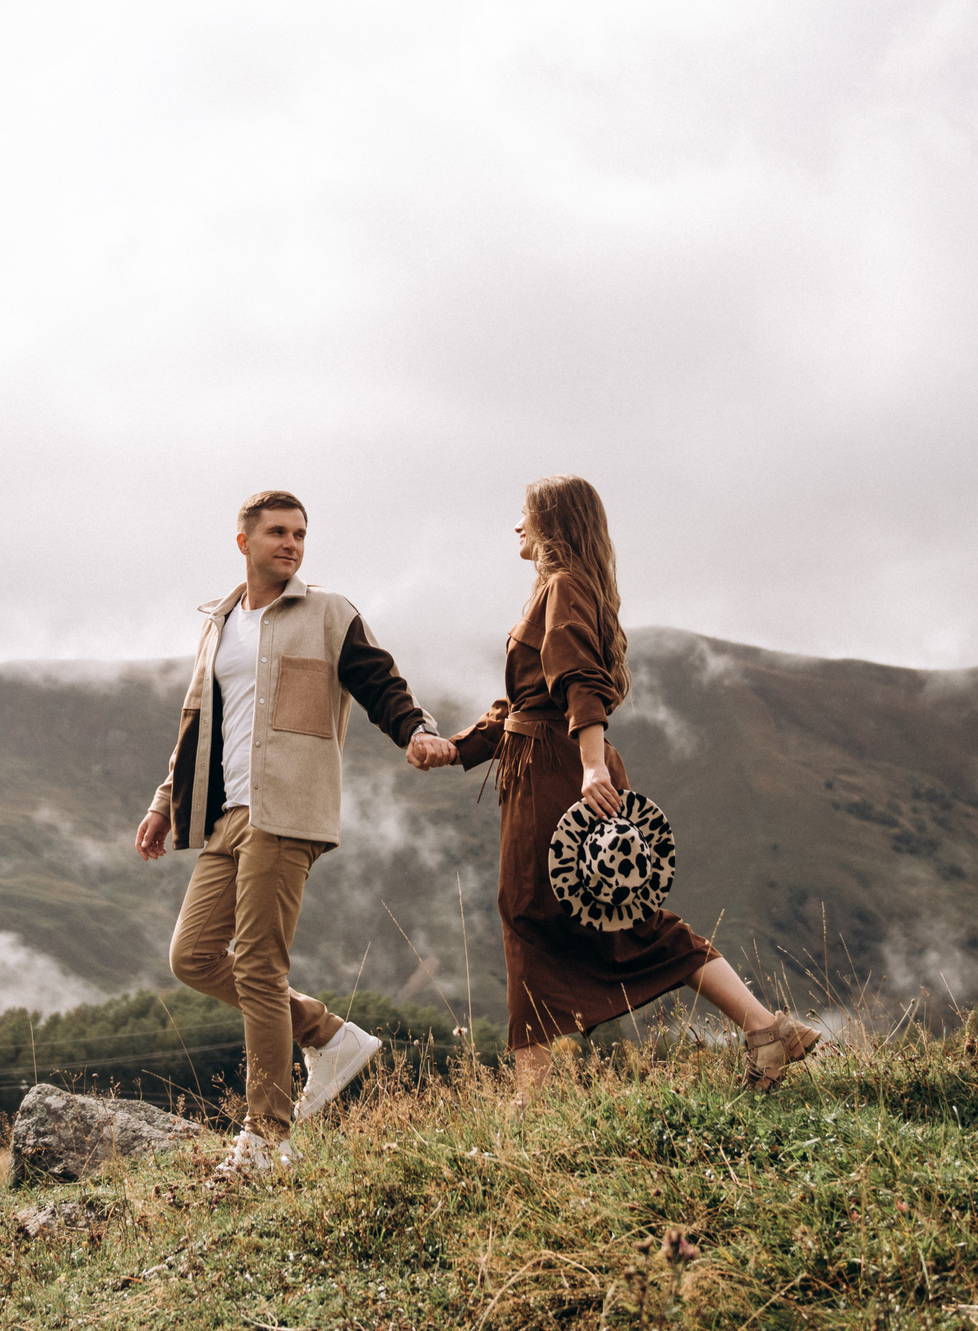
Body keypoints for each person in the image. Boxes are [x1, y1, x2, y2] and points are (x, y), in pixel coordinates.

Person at [420, 475, 820, 1094]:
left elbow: (579, 681)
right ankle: (766, 1030)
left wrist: (593, 766)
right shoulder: (563, 589)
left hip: (557, 770)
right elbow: (521, 704)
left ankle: (533, 1100)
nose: (516, 526)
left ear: (552, 523)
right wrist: (457, 750)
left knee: (543, 914)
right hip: (546, 762)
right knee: (590, 912)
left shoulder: (562, 587)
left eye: (525, 515)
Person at [135, 489, 458, 1177]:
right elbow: (197, 724)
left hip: (290, 808)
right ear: (243, 540)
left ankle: (265, 1137)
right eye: (278, 532)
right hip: (229, 813)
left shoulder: (327, 613)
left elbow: (380, 681)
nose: (291, 543)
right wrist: (166, 800)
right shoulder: (220, 624)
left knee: (256, 963)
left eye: (301, 533)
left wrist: (417, 731)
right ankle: (324, 1033)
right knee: (192, 956)